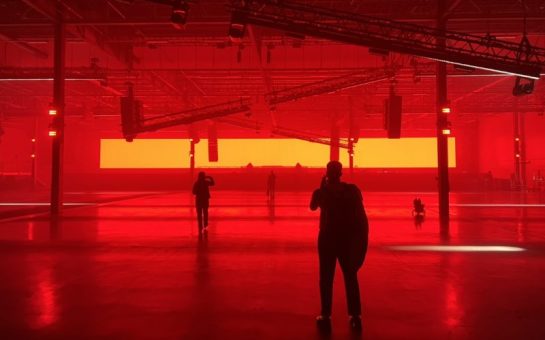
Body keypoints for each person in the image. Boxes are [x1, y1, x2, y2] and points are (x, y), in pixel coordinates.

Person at [310, 161, 369, 333]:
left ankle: (326, 313)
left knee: (326, 277)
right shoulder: (351, 191)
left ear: (327, 173)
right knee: (350, 276)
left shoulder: (322, 193)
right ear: (341, 173)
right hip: (346, 238)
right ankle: (355, 314)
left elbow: (313, 206)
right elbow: (360, 215)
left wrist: (321, 188)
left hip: (327, 238)